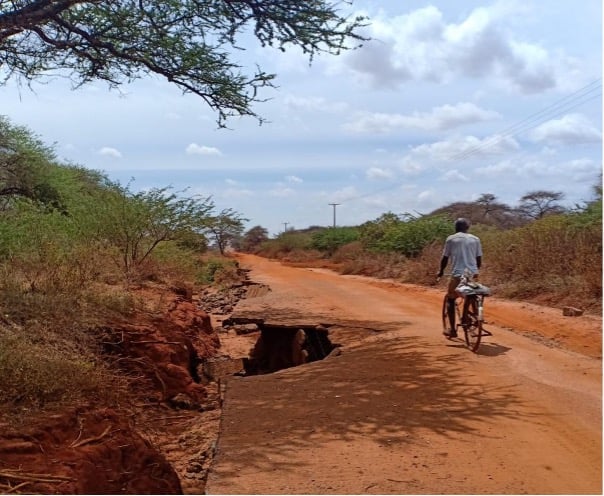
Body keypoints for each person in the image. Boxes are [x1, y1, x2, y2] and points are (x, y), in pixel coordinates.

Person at [437, 218, 483, 338]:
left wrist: (441, 271)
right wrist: (475, 271)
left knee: (451, 299)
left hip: (458, 274)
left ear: (455, 228)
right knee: (471, 293)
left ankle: (452, 330)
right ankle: (474, 316)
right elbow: (479, 259)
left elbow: (445, 258)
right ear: (467, 228)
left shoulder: (451, 239)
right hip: (472, 273)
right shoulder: (475, 239)